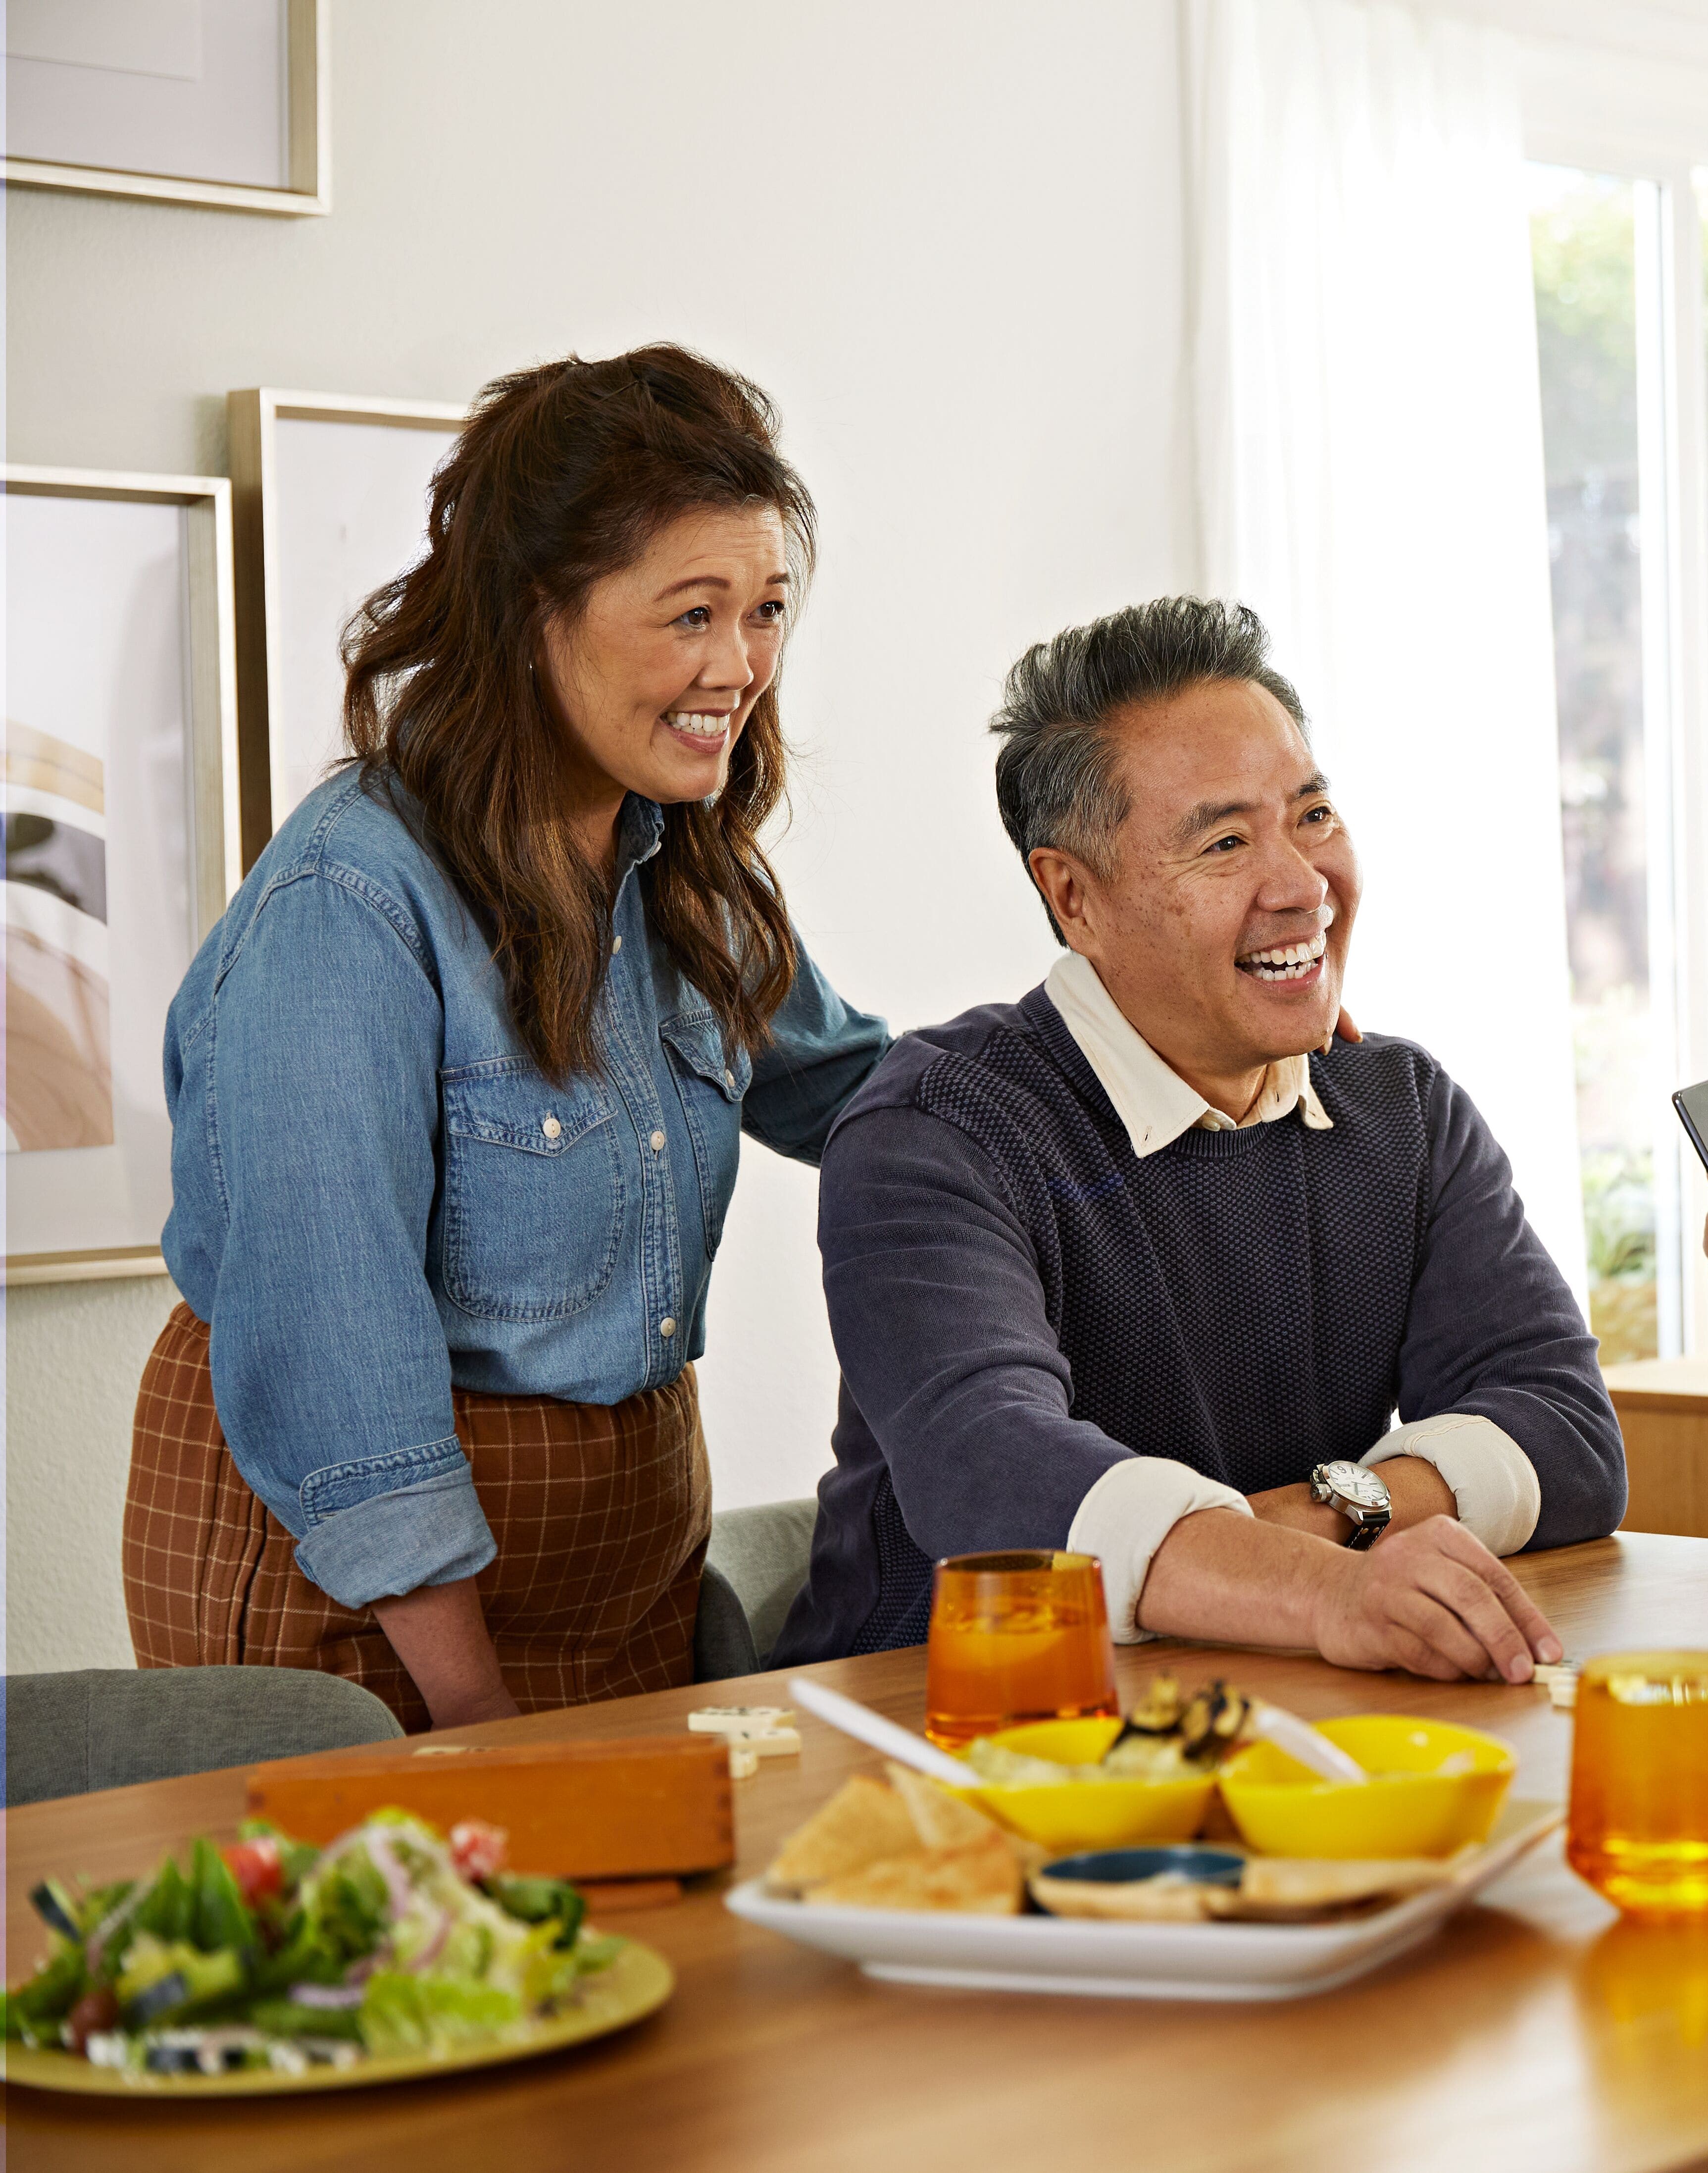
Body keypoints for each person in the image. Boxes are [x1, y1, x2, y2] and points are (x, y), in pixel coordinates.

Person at [124, 346, 887, 1731]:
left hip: (620, 1574)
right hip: (366, 1592)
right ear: (536, 613)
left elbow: (873, 1099)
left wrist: (1157, 1052)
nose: (741, 667)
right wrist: (477, 1718)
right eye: (692, 614)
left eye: (766, 610)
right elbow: (335, 1349)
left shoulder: (681, 869)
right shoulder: (351, 900)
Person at [774, 597, 1624, 1679]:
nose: (1303, 885)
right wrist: (1329, 1587)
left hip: (1273, 1699)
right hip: (940, 1717)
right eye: (1225, 843)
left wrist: (1327, 1513)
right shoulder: (936, 1132)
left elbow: (1567, 1431)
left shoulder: (1398, 1104)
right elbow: (995, 1479)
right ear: (1073, 897)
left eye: (1313, 814)